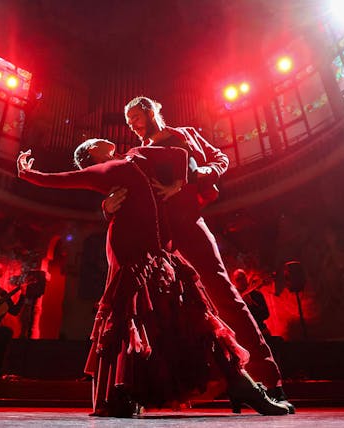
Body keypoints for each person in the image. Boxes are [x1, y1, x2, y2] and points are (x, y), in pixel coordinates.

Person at [17, 140, 288, 417]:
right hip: (132, 250)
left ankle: (239, 385)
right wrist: (28, 173)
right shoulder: (103, 170)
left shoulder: (135, 156)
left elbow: (178, 155)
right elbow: (64, 179)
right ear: (90, 155)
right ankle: (132, 391)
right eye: (93, 142)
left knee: (184, 316)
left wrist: (177, 185)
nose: (100, 138)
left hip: (156, 250)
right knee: (140, 316)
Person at [102, 96, 294, 412]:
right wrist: (106, 207)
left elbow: (219, 161)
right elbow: (121, 187)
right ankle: (169, 387)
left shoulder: (186, 134)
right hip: (154, 234)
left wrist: (186, 181)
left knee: (223, 294)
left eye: (136, 116)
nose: (132, 124)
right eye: (129, 120)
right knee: (158, 308)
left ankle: (268, 381)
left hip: (188, 223)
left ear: (151, 111)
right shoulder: (135, 153)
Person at [232, 269, 272, 338]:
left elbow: (266, 314)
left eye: (243, 277)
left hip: (261, 331)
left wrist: (251, 304)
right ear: (234, 282)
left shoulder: (257, 294)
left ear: (246, 277)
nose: (241, 281)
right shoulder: (234, 298)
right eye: (238, 279)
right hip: (245, 335)